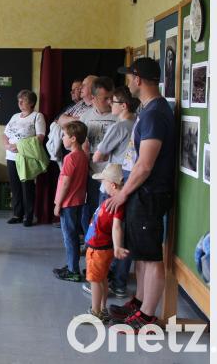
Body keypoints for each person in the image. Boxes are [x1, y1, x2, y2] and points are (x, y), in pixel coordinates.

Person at [105, 57, 175, 332]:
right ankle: (140, 302)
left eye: (129, 76)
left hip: (149, 192)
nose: (127, 82)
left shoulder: (156, 113)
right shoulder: (150, 109)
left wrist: (122, 195)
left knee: (151, 256)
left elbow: (145, 165)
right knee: (141, 254)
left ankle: (148, 316)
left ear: (138, 79)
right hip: (141, 192)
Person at [82, 85, 139, 298]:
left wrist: (100, 154)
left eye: (112, 101)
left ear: (123, 105)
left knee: (106, 233)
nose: (108, 104)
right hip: (129, 184)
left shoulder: (119, 126)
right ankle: (120, 282)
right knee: (122, 232)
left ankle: (105, 278)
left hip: (113, 182)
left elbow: (98, 156)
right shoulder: (138, 123)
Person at [81, 164, 126, 322]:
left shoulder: (117, 205)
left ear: (112, 185)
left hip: (99, 249)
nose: (102, 185)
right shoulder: (112, 200)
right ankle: (102, 308)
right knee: (102, 279)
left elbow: (116, 227)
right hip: (99, 247)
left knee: (95, 280)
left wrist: (118, 246)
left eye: (103, 182)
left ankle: (96, 312)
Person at [78, 77, 117, 232]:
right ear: (93, 98)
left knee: (108, 214)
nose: (110, 102)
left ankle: (105, 249)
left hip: (113, 177)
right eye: (105, 98)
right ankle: (90, 245)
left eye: (111, 97)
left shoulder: (119, 115)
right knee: (89, 210)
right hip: (91, 174)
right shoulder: (84, 117)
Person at [2, 90, 46, 227]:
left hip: (26, 157)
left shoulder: (37, 116)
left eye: (24, 100)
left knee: (27, 187)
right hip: (11, 156)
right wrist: (7, 145)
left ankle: (28, 216)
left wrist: (19, 147)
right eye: (19, 100)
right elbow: (5, 134)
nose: (20, 103)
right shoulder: (15, 116)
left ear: (32, 102)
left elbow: (40, 137)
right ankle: (17, 214)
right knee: (15, 187)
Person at [53, 121, 88, 282]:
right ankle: (71, 264)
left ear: (73, 138)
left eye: (64, 136)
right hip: (78, 201)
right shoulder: (83, 155)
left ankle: (73, 270)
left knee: (69, 237)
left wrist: (58, 203)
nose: (62, 138)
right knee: (73, 235)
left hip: (68, 203)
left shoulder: (70, 158)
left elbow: (66, 183)